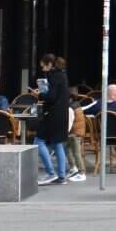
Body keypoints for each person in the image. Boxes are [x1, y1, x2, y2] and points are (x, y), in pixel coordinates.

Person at [34, 53, 82, 185]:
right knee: (57, 143)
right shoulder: (62, 75)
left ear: (49, 64)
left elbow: (51, 97)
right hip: (62, 115)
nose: (42, 69)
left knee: (38, 140)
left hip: (52, 114)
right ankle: (61, 176)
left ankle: (50, 173)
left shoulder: (53, 76)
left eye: (43, 66)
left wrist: (41, 95)